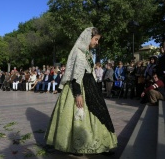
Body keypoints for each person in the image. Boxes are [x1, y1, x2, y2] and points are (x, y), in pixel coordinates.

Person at [45, 27, 117, 155]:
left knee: (98, 112)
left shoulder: (88, 53)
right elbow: (76, 75)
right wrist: (78, 94)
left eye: (97, 40)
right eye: (96, 39)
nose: (97, 42)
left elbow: (90, 72)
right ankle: (75, 146)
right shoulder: (79, 52)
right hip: (79, 86)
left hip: (90, 85)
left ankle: (102, 143)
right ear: (88, 38)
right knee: (78, 114)